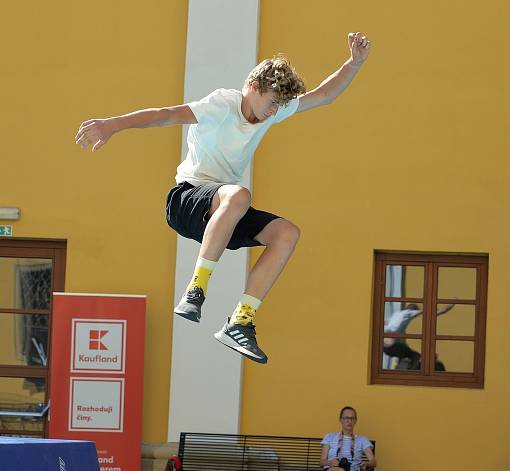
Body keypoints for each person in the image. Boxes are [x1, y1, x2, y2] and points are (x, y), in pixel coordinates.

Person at [74, 33, 372, 364]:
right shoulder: (222, 105)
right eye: (272, 102)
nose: (274, 112)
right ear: (254, 86)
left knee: (287, 233)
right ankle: (195, 290)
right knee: (239, 195)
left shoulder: (272, 110)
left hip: (224, 211)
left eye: (280, 106)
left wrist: (354, 63)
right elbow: (166, 114)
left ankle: (240, 321)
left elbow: (324, 95)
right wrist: (112, 125)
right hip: (186, 199)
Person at [383, 303, 455, 369]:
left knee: (409, 352)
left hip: (386, 347)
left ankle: (416, 363)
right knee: (413, 355)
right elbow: (433, 310)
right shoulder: (409, 312)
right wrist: (450, 305)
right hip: (391, 345)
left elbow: (385, 322)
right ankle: (423, 363)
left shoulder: (396, 314)